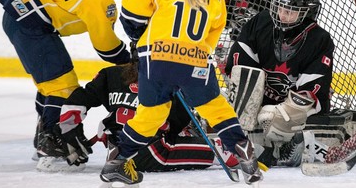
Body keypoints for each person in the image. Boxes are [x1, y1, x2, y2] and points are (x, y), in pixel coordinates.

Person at [100, 0, 263, 188]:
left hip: (156, 60)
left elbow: (131, 15)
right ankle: (241, 148)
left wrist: (139, 36)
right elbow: (209, 40)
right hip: (195, 62)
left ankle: (117, 159)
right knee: (215, 108)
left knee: (151, 115)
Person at [0, 0, 133, 167]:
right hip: (32, 29)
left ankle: (44, 136)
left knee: (50, 82)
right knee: (63, 86)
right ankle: (51, 146)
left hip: (17, 12)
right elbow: (106, 48)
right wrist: (129, 59)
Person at [56, 53, 239, 174]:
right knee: (217, 149)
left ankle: (115, 148)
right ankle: (224, 151)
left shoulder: (111, 74)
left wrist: (69, 130)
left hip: (120, 145)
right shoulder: (170, 81)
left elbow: (78, 99)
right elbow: (176, 126)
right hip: (150, 152)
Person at [225, 0, 335, 168]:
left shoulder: (320, 40)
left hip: (290, 112)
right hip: (259, 105)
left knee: (283, 114)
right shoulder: (262, 21)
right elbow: (237, 64)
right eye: (280, 8)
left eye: (290, 12)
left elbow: (313, 92)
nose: (282, 15)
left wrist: (280, 112)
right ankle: (248, 140)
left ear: (308, 14)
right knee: (242, 80)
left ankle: (283, 150)